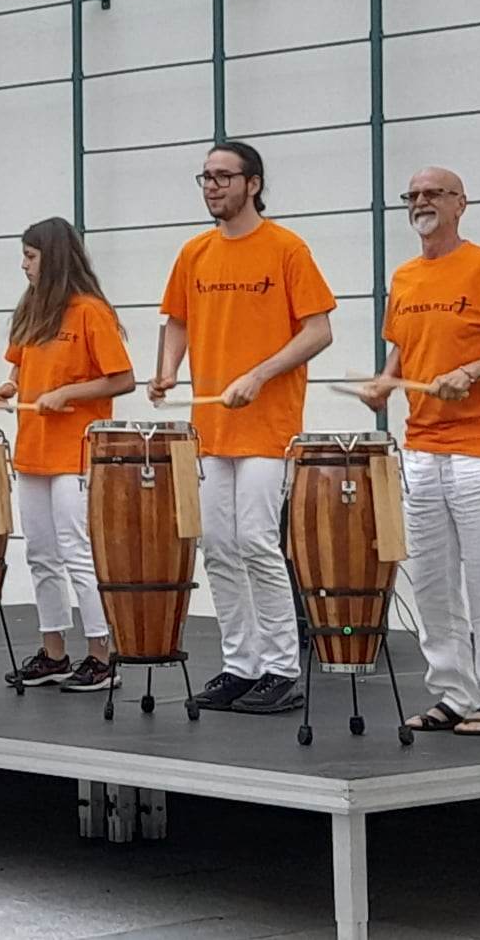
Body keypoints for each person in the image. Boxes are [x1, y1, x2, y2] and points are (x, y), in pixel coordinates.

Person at [356, 166, 480, 736]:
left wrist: (472, 371)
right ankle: (454, 693)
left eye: (433, 193)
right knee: (432, 581)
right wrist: (385, 382)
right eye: (412, 195)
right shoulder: (405, 277)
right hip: (423, 445)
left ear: (460, 203)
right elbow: (401, 347)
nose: (421, 202)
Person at [148, 141, 334, 715]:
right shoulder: (195, 252)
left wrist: (260, 374)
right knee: (218, 547)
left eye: (223, 176)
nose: (212, 186)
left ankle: (282, 669)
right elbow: (176, 320)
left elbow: (318, 331)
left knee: (255, 542)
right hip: (211, 427)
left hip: (267, 427)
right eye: (205, 177)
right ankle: (240, 665)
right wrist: (166, 369)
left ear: (253, 184)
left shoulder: (286, 248)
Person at [0, 217, 133, 693]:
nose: (24, 265)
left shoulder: (90, 311)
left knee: (77, 551)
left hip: (76, 452)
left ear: (52, 258)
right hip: (33, 449)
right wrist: (8, 387)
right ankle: (53, 651)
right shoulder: (32, 308)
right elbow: (20, 366)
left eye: (30, 256)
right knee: (40, 554)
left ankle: (102, 655)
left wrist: (68, 392)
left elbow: (122, 378)